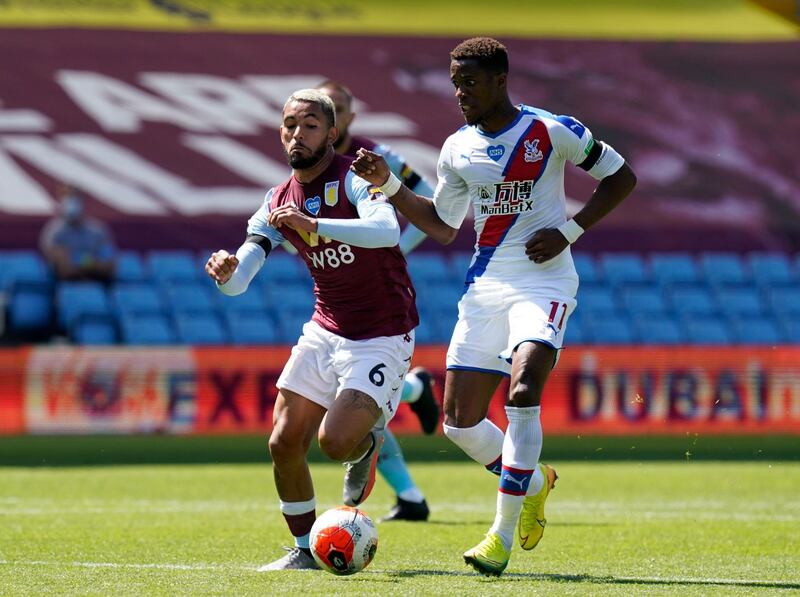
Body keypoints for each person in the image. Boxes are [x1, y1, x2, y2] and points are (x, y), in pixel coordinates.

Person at [351, 37, 637, 575]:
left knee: (524, 388)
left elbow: (621, 177)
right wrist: (388, 184)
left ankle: (499, 538)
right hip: (485, 287)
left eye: (472, 83)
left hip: (545, 282)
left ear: (501, 80)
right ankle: (534, 480)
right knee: (459, 423)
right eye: (456, 84)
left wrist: (569, 232)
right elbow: (440, 225)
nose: (461, 93)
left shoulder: (552, 130)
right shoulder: (457, 147)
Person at [205, 89, 420, 571]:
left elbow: (388, 232)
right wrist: (226, 272)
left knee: (333, 443)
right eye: (289, 125)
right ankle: (303, 550)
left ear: (331, 133)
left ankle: (369, 439)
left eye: (309, 125)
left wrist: (314, 224)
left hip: (383, 332)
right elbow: (241, 281)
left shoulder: (357, 177)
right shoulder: (277, 199)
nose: (297, 134)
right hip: (326, 328)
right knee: (282, 442)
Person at [317, 79, 439, 522]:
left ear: (348, 118)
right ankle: (409, 492)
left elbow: (433, 199)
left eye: (337, 106)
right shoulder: (309, 160)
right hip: (336, 290)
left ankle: (409, 492)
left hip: (377, 291)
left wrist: (397, 248)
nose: (327, 112)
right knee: (353, 395)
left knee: (351, 396)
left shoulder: (375, 156)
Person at [39, 185, 116, 282]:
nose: (71, 203)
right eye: (67, 199)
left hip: (98, 283)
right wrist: (91, 263)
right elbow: (65, 269)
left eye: (75, 198)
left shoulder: (98, 230)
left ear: (82, 202)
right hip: (65, 286)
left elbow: (109, 265)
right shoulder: (53, 232)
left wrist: (83, 263)